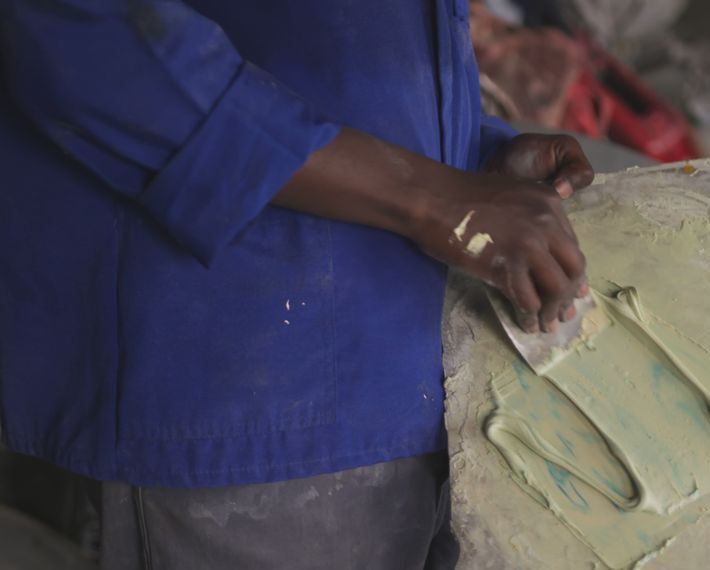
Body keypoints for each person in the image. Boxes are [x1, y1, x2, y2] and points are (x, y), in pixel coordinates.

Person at [0, 1, 594, 568]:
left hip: (415, 384)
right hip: (252, 391)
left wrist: (469, 154)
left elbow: (331, 47)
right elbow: (83, 33)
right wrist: (433, 198)